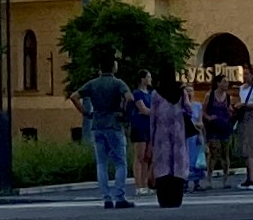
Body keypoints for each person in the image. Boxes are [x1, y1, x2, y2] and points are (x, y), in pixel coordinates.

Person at [76, 62, 135, 207]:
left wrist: (85, 112)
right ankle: (119, 197)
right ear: (114, 68)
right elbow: (130, 98)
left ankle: (106, 198)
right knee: (120, 163)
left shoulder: (92, 84)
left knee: (101, 163)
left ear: (99, 69)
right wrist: (124, 112)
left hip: (97, 124)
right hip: (114, 124)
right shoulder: (118, 83)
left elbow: (74, 96)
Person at [144, 73, 196, 206]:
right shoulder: (180, 91)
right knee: (177, 166)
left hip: (161, 137)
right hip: (178, 135)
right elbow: (189, 110)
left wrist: (151, 139)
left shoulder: (156, 93)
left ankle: (164, 199)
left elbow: (152, 118)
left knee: (162, 167)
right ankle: (176, 199)